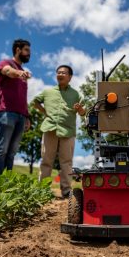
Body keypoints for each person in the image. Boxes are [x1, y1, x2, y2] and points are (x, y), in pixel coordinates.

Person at [33, 65, 85, 198]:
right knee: (46, 160)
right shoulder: (47, 92)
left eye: (63, 72)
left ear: (70, 77)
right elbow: (35, 102)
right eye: (58, 72)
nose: (60, 74)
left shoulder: (76, 94)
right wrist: (45, 112)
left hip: (68, 132)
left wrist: (79, 109)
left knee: (66, 162)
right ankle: (42, 190)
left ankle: (67, 190)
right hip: (49, 129)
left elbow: (83, 112)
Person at [0, 39, 32, 181]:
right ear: (18, 50)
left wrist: (27, 117)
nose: (29, 53)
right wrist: (19, 73)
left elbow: (23, 97)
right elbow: (7, 71)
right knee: (2, 149)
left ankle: (6, 184)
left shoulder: (22, 74)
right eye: (26, 50)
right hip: (5, 111)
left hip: (20, 115)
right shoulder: (5, 63)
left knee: (12, 152)